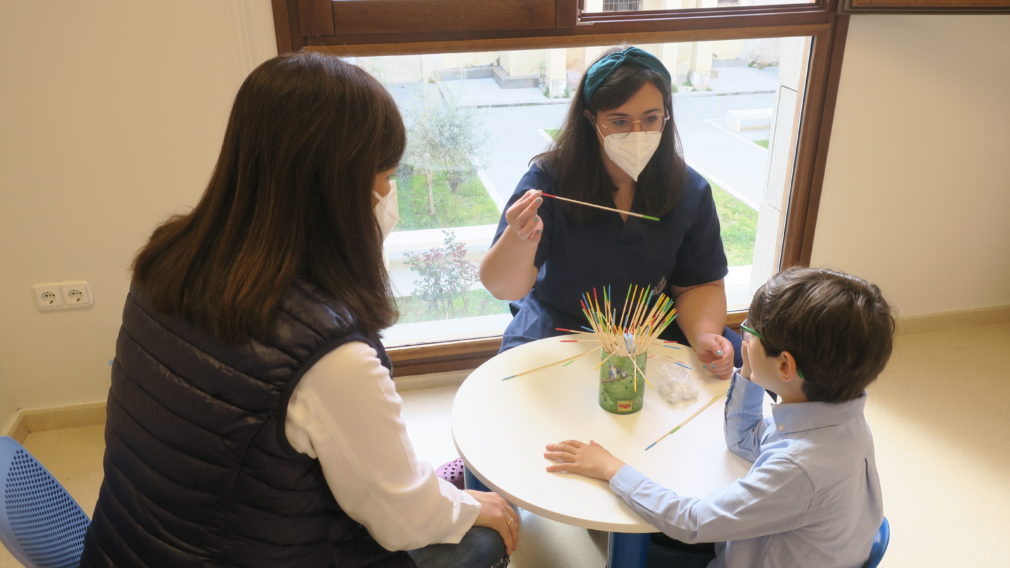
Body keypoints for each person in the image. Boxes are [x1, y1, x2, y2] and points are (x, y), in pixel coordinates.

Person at [80, 52, 517, 568]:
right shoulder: (327, 354)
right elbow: (404, 523)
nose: (387, 195)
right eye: (384, 176)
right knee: (483, 537)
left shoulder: (168, 259)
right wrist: (472, 507)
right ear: (333, 185)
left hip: (123, 548)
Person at [543, 266, 894, 567]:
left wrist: (611, 468)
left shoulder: (800, 468)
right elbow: (744, 441)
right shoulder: (839, 416)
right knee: (623, 520)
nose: (741, 332)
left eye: (751, 330)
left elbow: (693, 522)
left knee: (624, 529)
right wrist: (751, 374)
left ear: (786, 365)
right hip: (771, 540)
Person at [480, 46, 739, 379]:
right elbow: (504, 287)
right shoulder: (548, 181)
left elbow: (698, 284)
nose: (637, 133)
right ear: (591, 120)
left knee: (726, 385)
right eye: (619, 121)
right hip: (561, 327)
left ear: (667, 116)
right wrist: (519, 238)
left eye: (650, 118)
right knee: (522, 397)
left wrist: (704, 335)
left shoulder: (688, 189)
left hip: (653, 331)